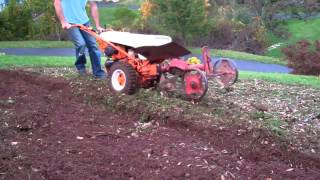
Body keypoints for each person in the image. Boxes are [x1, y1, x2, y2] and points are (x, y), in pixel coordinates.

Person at [54, 0, 106, 79]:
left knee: (93, 45)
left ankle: (98, 72)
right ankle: (81, 67)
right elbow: (57, 3)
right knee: (81, 44)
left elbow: (93, 5)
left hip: (85, 21)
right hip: (70, 23)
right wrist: (63, 22)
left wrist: (98, 26)